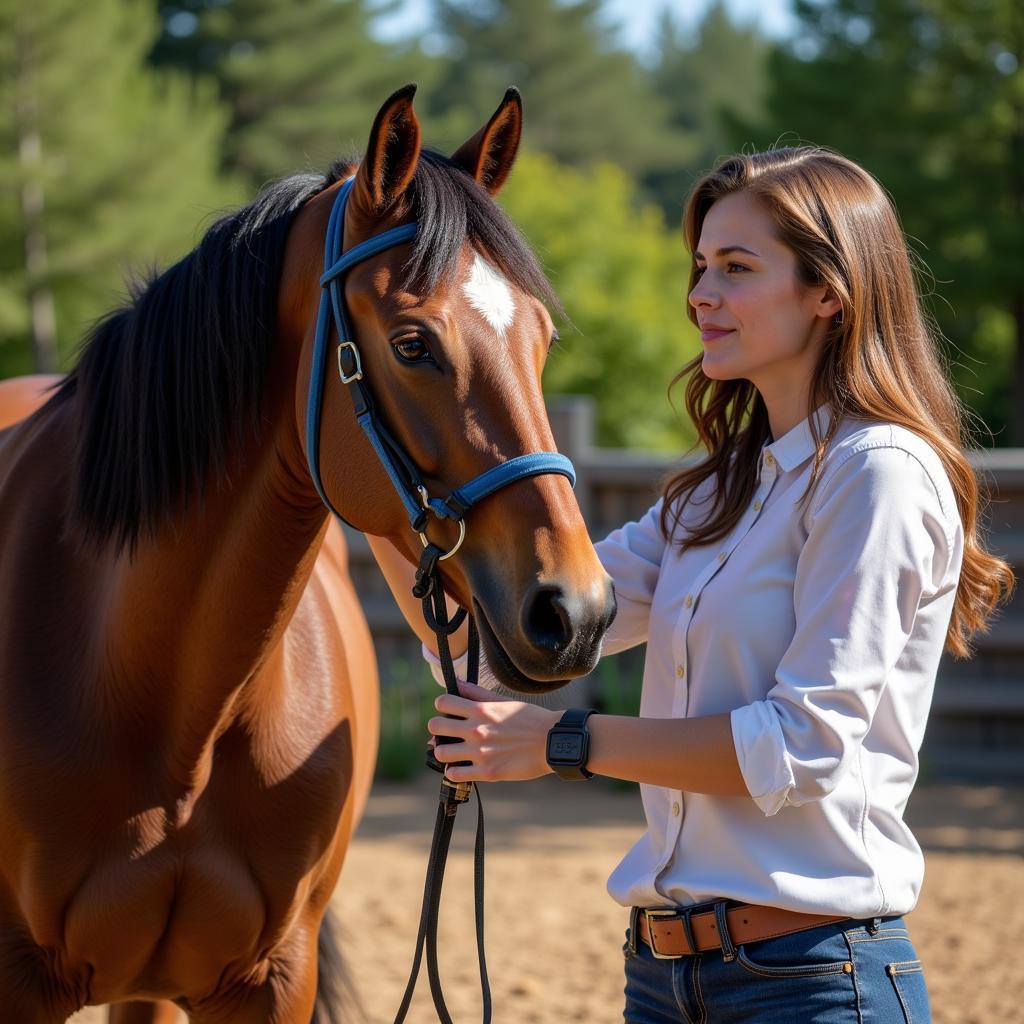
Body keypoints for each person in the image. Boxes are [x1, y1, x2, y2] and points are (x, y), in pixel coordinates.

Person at [368, 147, 1014, 1023]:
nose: (700, 294)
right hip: (663, 979)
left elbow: (800, 746)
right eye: (701, 266)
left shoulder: (880, 475)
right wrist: (378, 500)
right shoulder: (715, 494)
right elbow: (497, 647)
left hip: (815, 983)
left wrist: (564, 743)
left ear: (830, 291)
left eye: (737, 269)